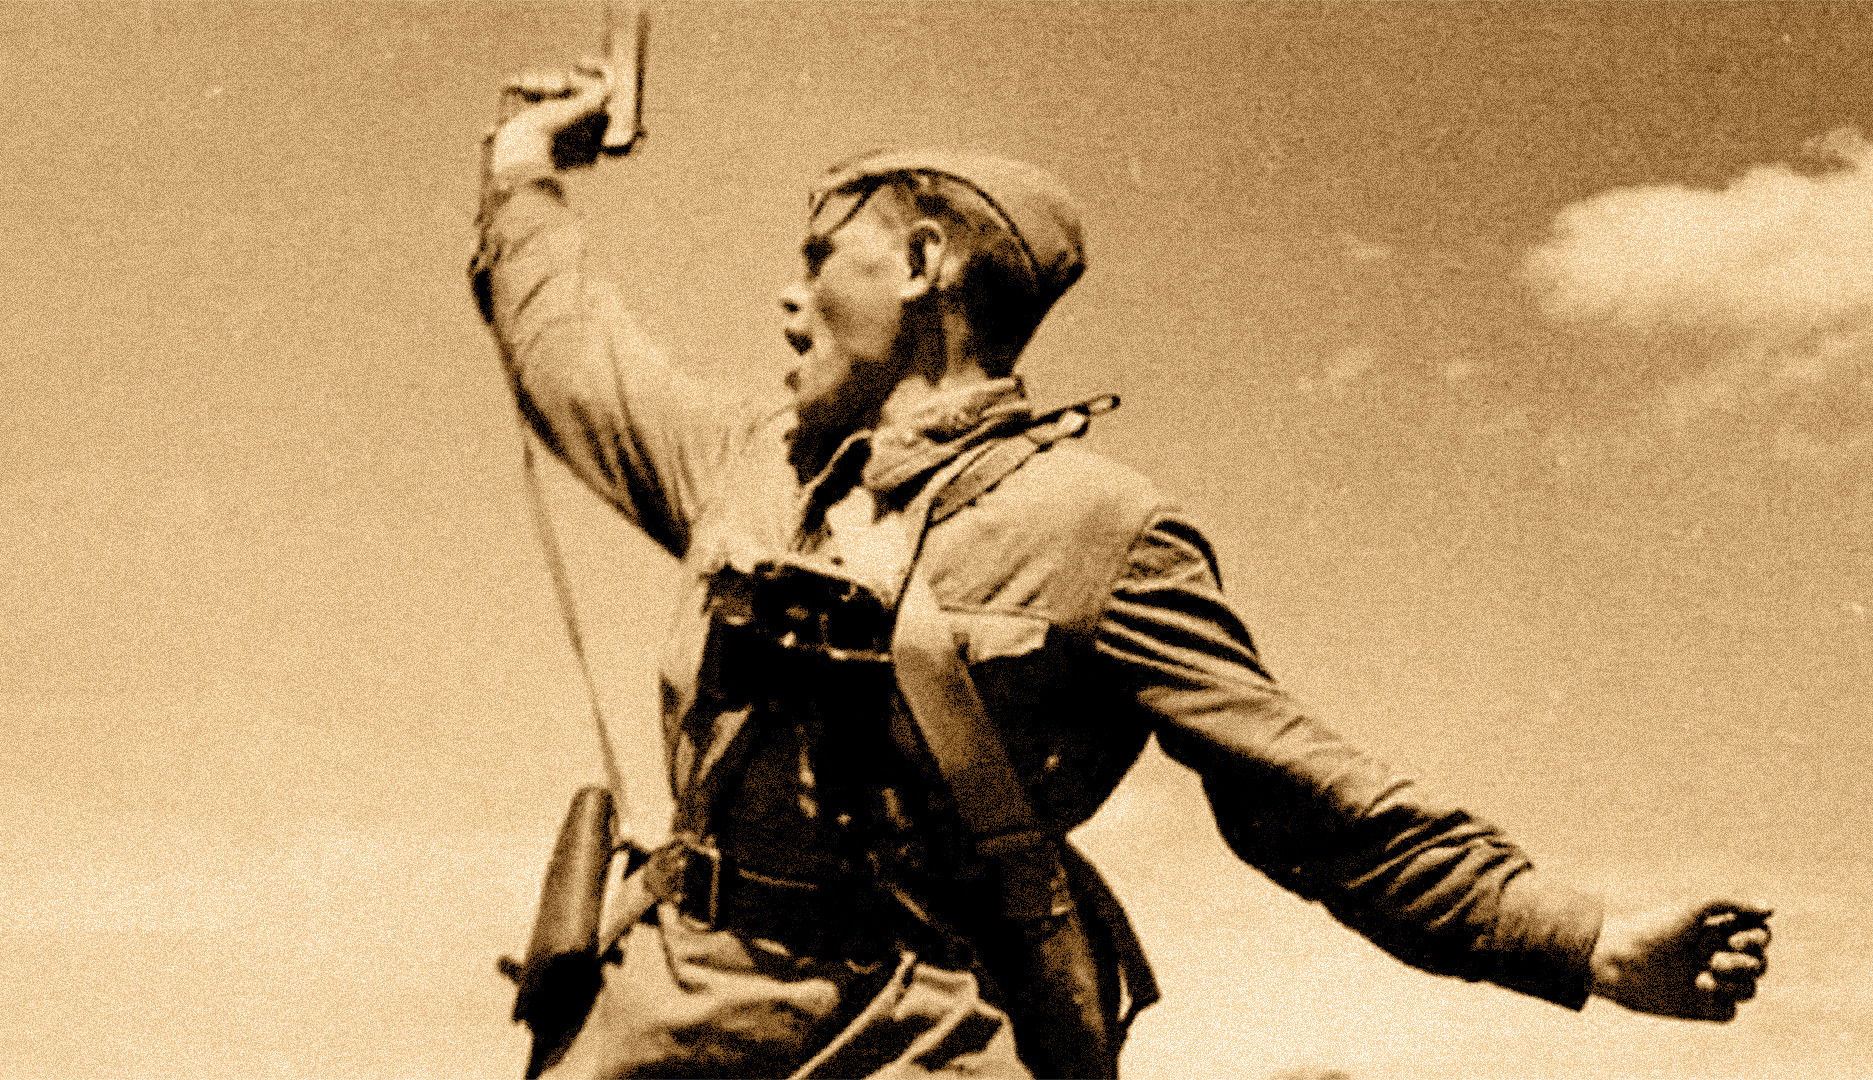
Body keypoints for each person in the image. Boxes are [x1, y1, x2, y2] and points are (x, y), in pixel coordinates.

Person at [471, 61, 1772, 1080]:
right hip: (668, 1017)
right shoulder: (749, 466)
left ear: (924, 266)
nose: (789, 299)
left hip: (916, 1038)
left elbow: (1309, 797)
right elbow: (569, 348)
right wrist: (525, 167)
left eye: (822, 259)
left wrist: (1584, 942)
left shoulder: (1100, 529)